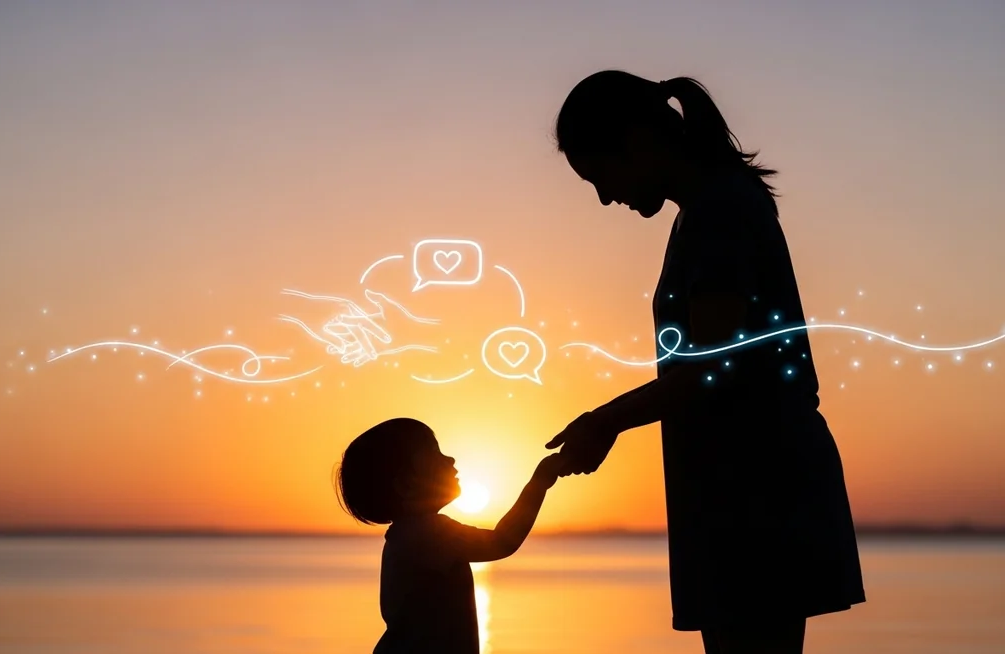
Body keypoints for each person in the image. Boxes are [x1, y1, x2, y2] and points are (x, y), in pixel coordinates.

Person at [547, 70, 866, 653]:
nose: (604, 196)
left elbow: (710, 370)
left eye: (601, 175)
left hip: (755, 497)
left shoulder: (720, 213)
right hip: (736, 490)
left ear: (639, 143)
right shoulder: (706, 212)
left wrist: (605, 420)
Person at [335, 417, 564, 654]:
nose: (450, 459)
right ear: (406, 485)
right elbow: (502, 541)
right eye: (434, 454)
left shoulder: (403, 536)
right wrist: (539, 484)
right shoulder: (428, 532)